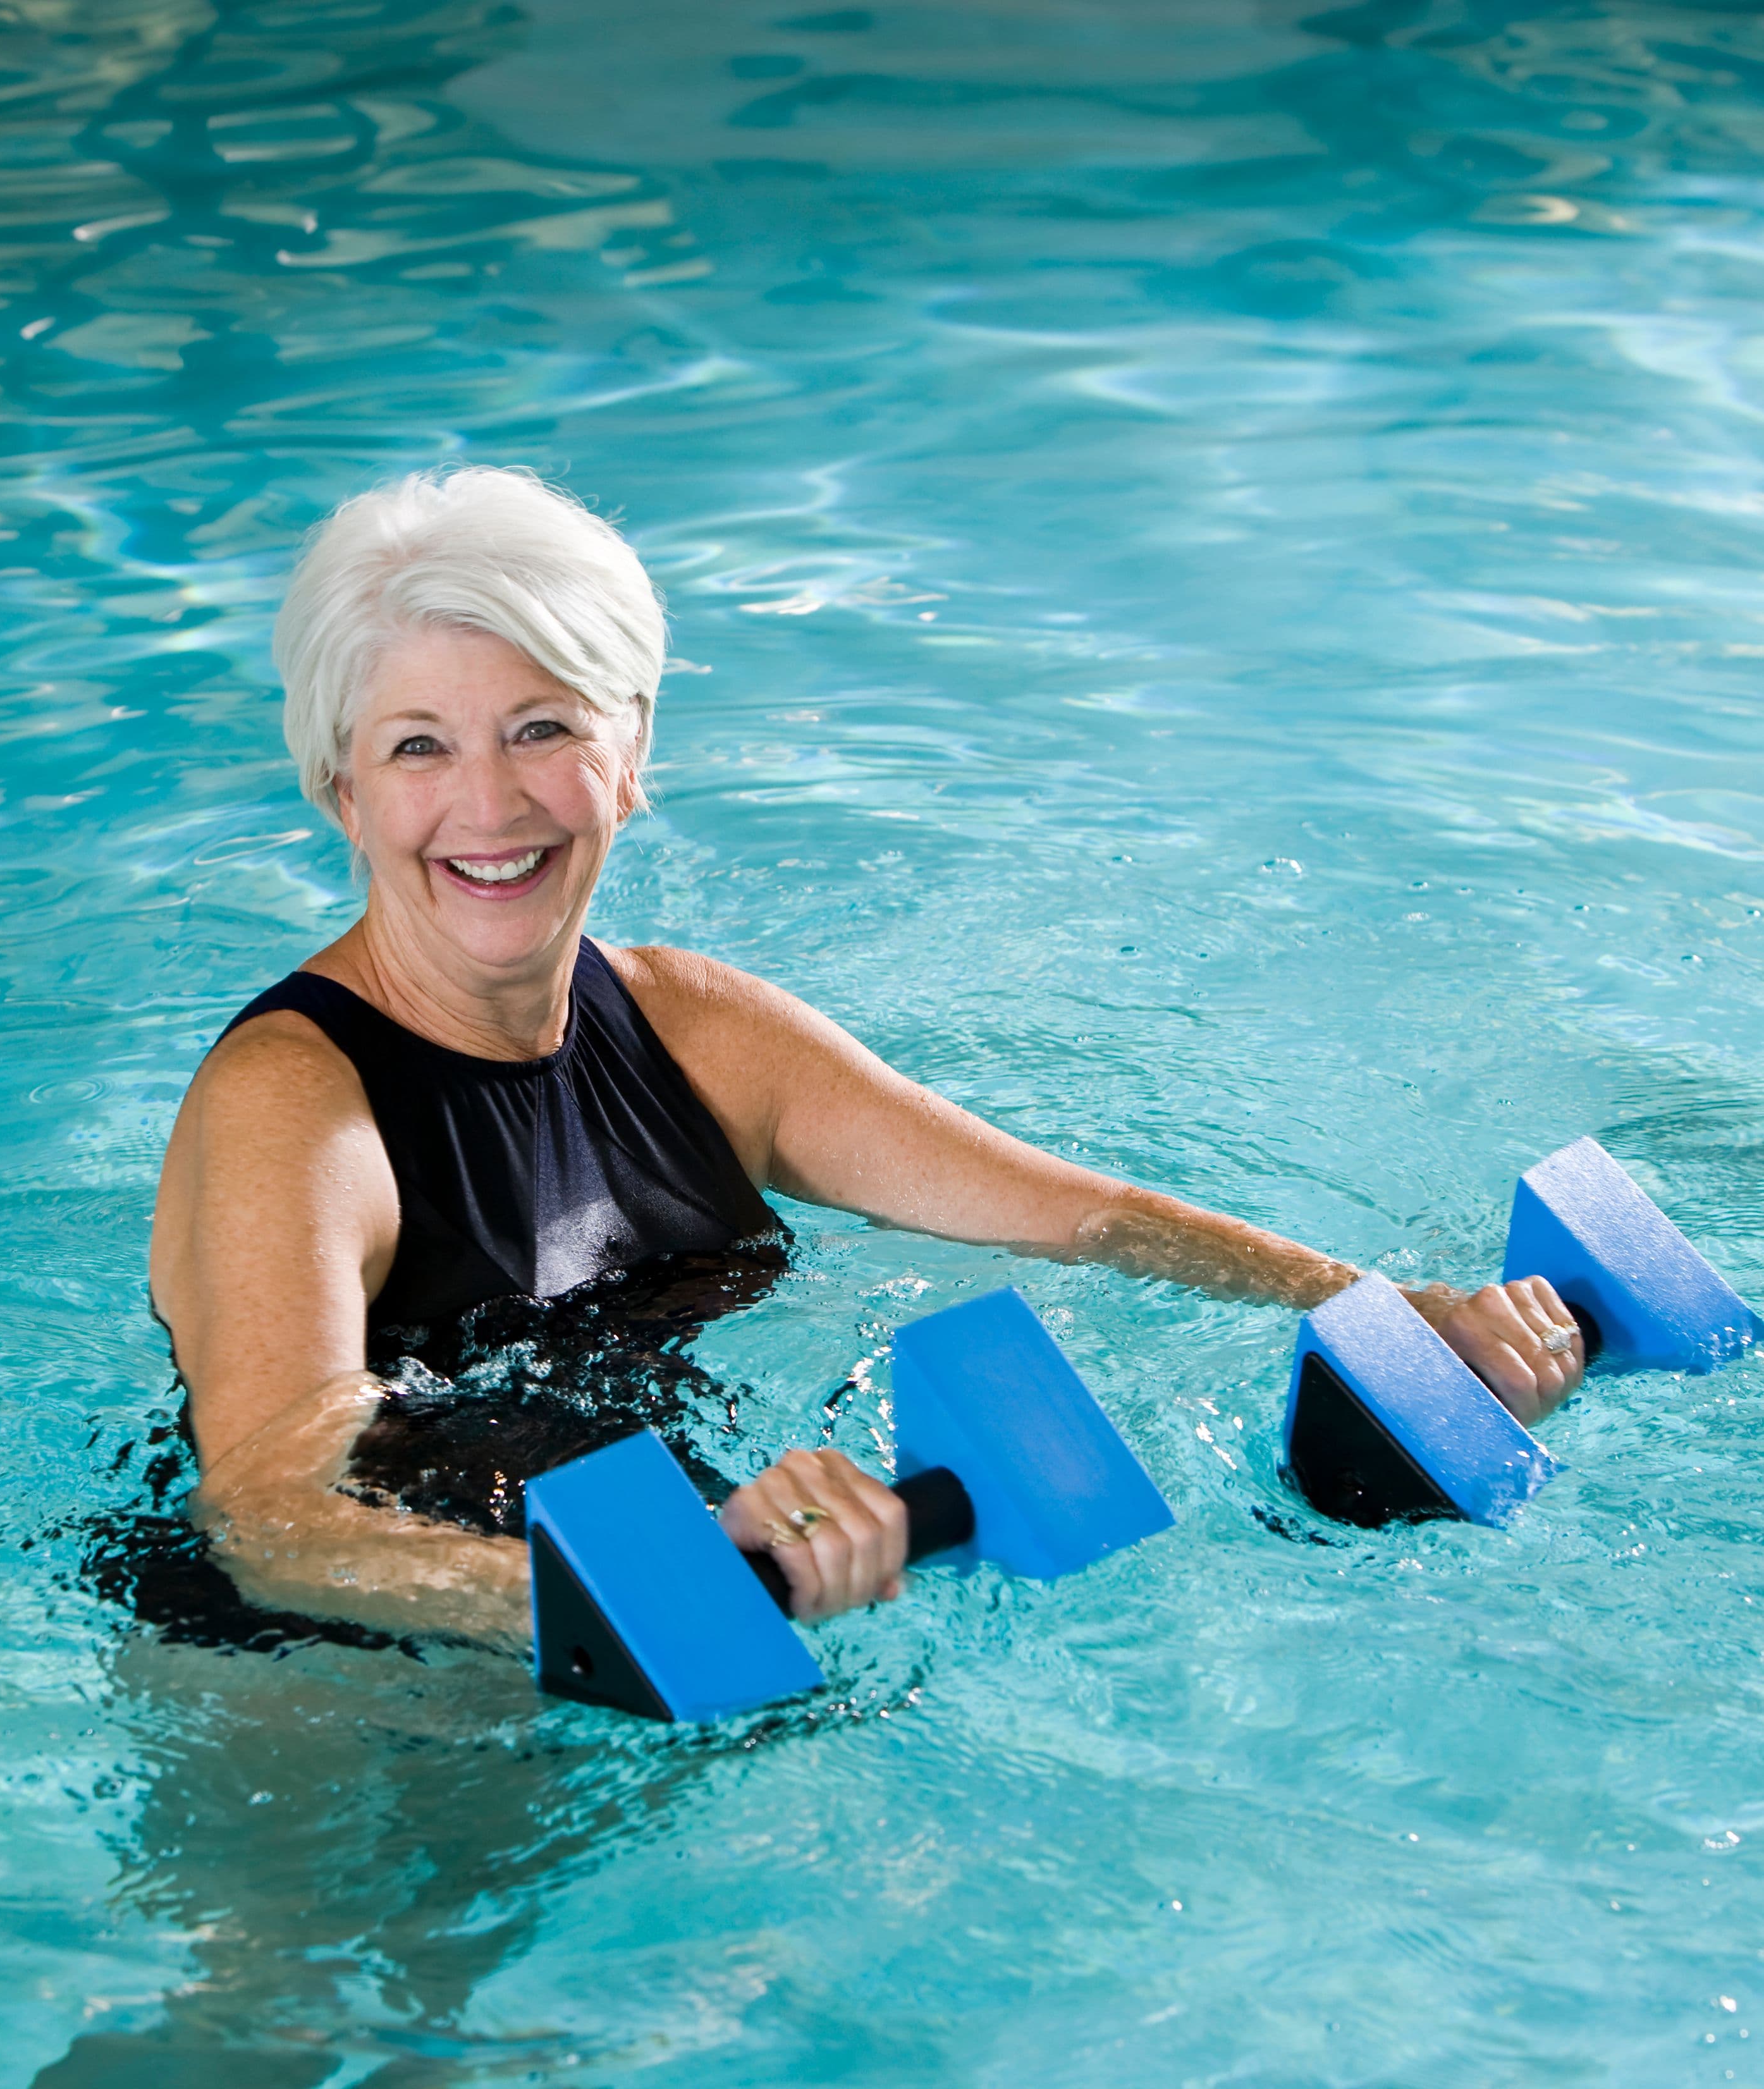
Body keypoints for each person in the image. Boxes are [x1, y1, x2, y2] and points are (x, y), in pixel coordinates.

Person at [151, 467, 1586, 1651]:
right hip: (315, 1682)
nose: (487, 802)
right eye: (417, 747)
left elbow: (1073, 1213)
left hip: (669, 1632)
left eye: (542, 729)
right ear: (340, 785)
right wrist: (642, 1593)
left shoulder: (696, 1031)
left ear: (630, 748)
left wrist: (1392, 1316)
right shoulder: (297, 1101)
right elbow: (274, 1525)